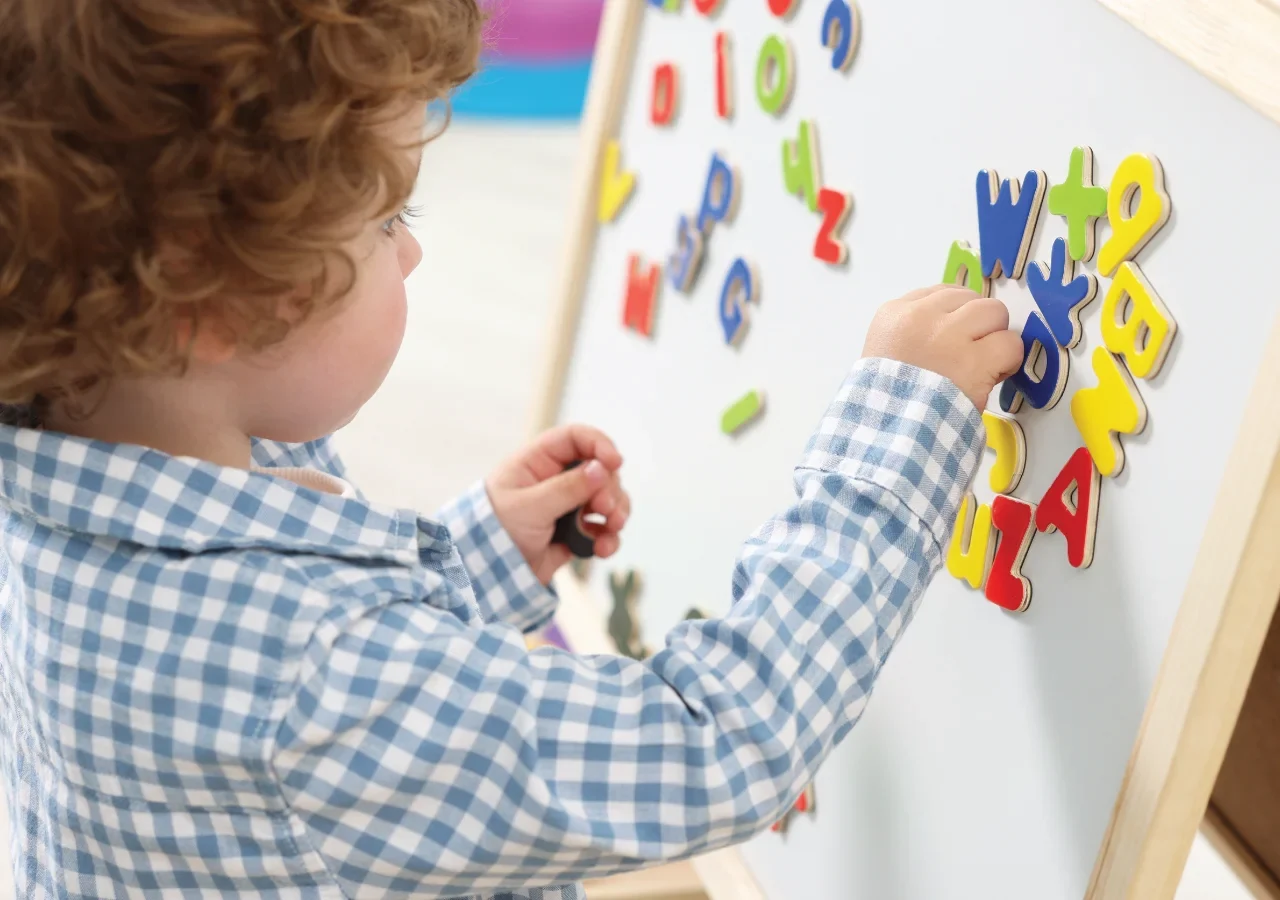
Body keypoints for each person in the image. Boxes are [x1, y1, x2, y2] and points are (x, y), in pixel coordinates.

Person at [0, 0, 1023, 897]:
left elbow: (309, 741)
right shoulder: (309, 679)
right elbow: (706, 747)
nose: (412, 249)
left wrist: (470, 558)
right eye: (386, 219)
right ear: (212, 306)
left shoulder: (78, 465)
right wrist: (897, 432)